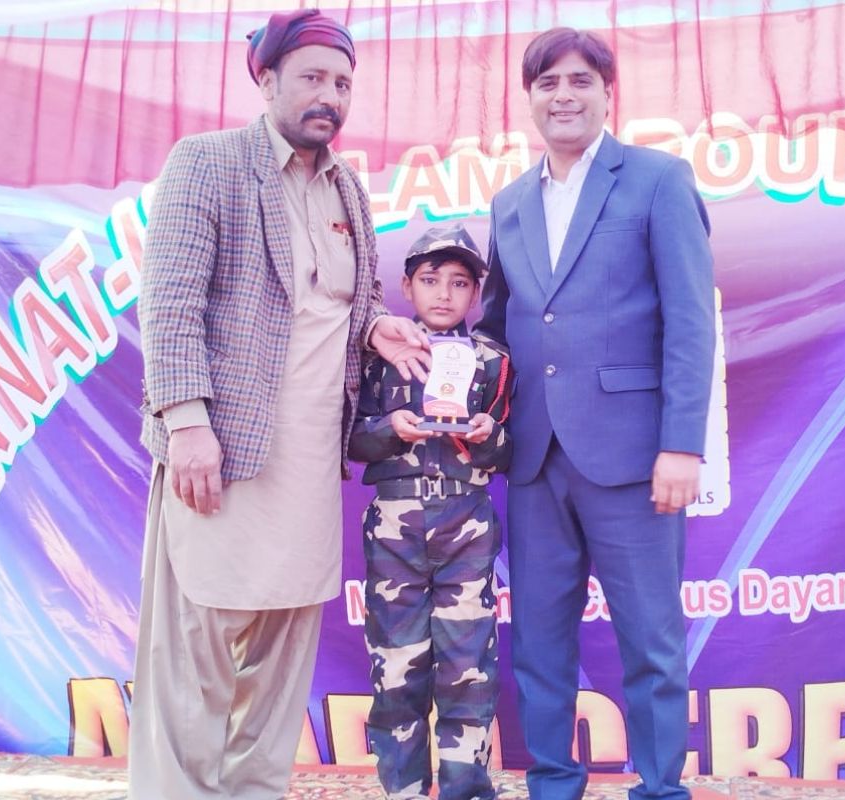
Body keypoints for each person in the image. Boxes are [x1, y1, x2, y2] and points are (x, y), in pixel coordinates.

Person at [128, 9, 429, 799]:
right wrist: (187, 424)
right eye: (313, 78)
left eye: (343, 83)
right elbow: (169, 304)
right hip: (220, 450)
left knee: (284, 652)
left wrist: (378, 326)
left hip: (308, 462)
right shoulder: (208, 163)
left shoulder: (348, 187)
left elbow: (350, 298)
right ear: (267, 81)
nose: (330, 96)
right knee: (193, 656)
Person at [475, 27, 716, 800]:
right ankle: (553, 783)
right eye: (548, 83)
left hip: (634, 458)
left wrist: (682, 445)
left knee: (651, 641)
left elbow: (691, 322)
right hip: (534, 459)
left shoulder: (657, 181)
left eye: (580, 80)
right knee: (538, 643)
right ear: (529, 99)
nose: (564, 95)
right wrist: (457, 389)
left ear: (608, 93)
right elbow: (498, 327)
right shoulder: (510, 204)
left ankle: (660, 788)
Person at [348, 222, 512, 800]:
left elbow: (513, 451)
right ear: (406, 286)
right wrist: (389, 428)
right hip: (394, 529)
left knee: (468, 669)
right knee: (397, 671)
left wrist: (489, 435)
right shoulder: (378, 357)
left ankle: (467, 790)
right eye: (430, 279)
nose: (444, 293)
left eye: (460, 282)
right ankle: (404, 791)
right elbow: (347, 441)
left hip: (467, 525)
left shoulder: (492, 361)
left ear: (476, 292)